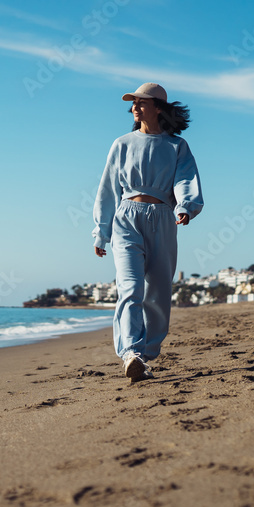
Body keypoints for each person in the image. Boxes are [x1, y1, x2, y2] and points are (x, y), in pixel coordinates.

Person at [92, 82, 204, 383]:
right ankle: (131, 353)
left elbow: (185, 179)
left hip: (164, 219)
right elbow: (107, 190)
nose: (134, 108)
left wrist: (186, 206)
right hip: (127, 219)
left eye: (141, 102)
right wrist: (101, 231)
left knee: (159, 291)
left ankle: (147, 351)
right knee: (130, 287)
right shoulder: (122, 144)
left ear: (158, 107)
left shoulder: (176, 146)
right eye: (133, 104)